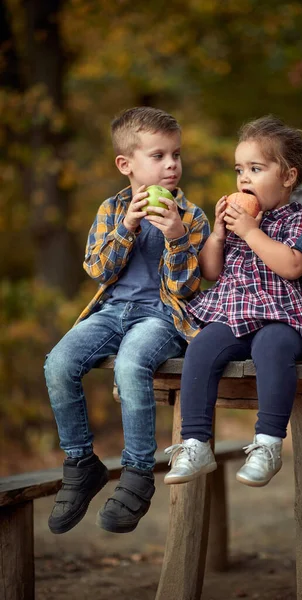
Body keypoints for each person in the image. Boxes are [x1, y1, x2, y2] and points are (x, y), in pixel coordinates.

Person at [44, 106, 210, 534]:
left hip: (162, 315)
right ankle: (81, 463)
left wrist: (175, 237)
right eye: (158, 156)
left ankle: (137, 472)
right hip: (112, 312)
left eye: (176, 154)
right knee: (58, 364)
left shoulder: (191, 216)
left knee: (131, 364)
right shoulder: (111, 209)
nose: (171, 164)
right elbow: (97, 269)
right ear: (126, 165)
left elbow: (188, 289)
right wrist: (128, 228)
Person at [164, 115, 302, 487]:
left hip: (283, 319)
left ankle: (268, 444)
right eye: (240, 169)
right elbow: (210, 271)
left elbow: (292, 266)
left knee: (271, 346)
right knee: (203, 345)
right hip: (235, 314)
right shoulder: (238, 219)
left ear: (288, 177)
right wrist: (219, 234)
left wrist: (252, 232)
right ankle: (195, 444)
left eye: (256, 169)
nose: (244, 179)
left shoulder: (296, 220)